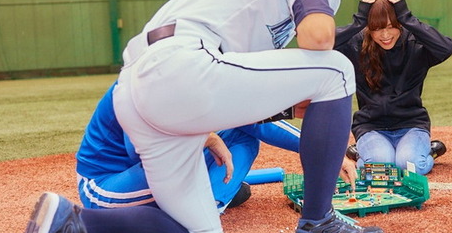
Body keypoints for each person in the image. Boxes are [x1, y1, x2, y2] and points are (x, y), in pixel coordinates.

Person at [17, 0, 384, 233]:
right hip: (180, 65)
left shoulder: (241, 2)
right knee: (334, 70)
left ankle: (74, 222)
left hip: (148, 88)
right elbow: (317, 38)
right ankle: (318, 224)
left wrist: (296, 108)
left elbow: (237, 97)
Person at [76, 81, 334, 212]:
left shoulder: (192, 77)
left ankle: (213, 203)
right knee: (179, 164)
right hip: (105, 188)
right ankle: (198, 204)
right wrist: (207, 138)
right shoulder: (139, 84)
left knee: (241, 134)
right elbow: (143, 151)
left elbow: (251, 120)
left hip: (150, 173)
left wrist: (322, 149)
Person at [334, 0, 452, 175]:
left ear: (399, 23)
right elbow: (324, 44)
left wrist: (407, 17)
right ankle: (361, 153)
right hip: (371, 127)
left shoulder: (414, 44)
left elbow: (445, 47)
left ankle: (429, 151)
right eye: (377, 28)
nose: (385, 35)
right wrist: (359, 21)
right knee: (379, 169)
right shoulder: (356, 45)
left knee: (408, 166)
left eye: (391, 26)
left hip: (411, 125)